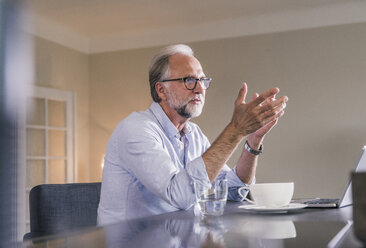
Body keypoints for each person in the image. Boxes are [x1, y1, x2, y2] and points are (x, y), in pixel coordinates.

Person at [97, 44, 288, 225]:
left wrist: (252, 141)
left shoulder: (194, 134)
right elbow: (178, 196)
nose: (199, 89)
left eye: (202, 80)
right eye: (188, 80)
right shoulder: (135, 129)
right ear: (161, 90)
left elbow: (234, 190)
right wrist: (236, 129)